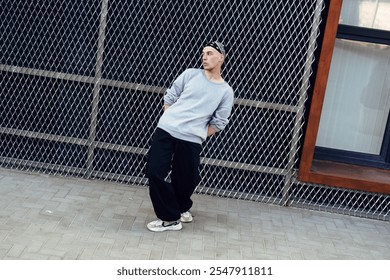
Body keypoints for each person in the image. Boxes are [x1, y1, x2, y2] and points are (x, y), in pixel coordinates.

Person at [146, 41, 234, 232]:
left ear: (221, 57)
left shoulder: (225, 91)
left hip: (191, 139)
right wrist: (171, 119)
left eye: (210, 53)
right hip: (167, 131)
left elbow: (219, 122)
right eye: (203, 53)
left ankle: (181, 207)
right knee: (154, 171)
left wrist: (198, 132)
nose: (205, 57)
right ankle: (170, 219)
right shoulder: (190, 74)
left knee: (188, 178)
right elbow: (170, 97)